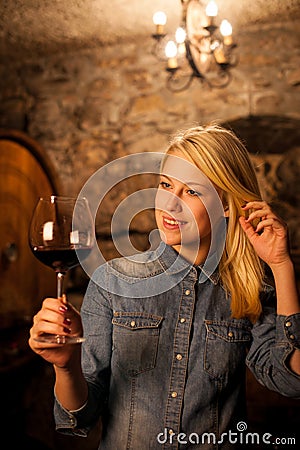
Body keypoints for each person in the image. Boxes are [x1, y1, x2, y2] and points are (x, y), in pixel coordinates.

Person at [29, 124, 300, 449]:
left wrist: (281, 265)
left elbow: (289, 379)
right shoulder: (112, 282)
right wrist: (66, 365)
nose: (170, 204)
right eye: (166, 185)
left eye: (193, 191)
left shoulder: (247, 290)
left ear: (226, 206)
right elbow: (80, 417)